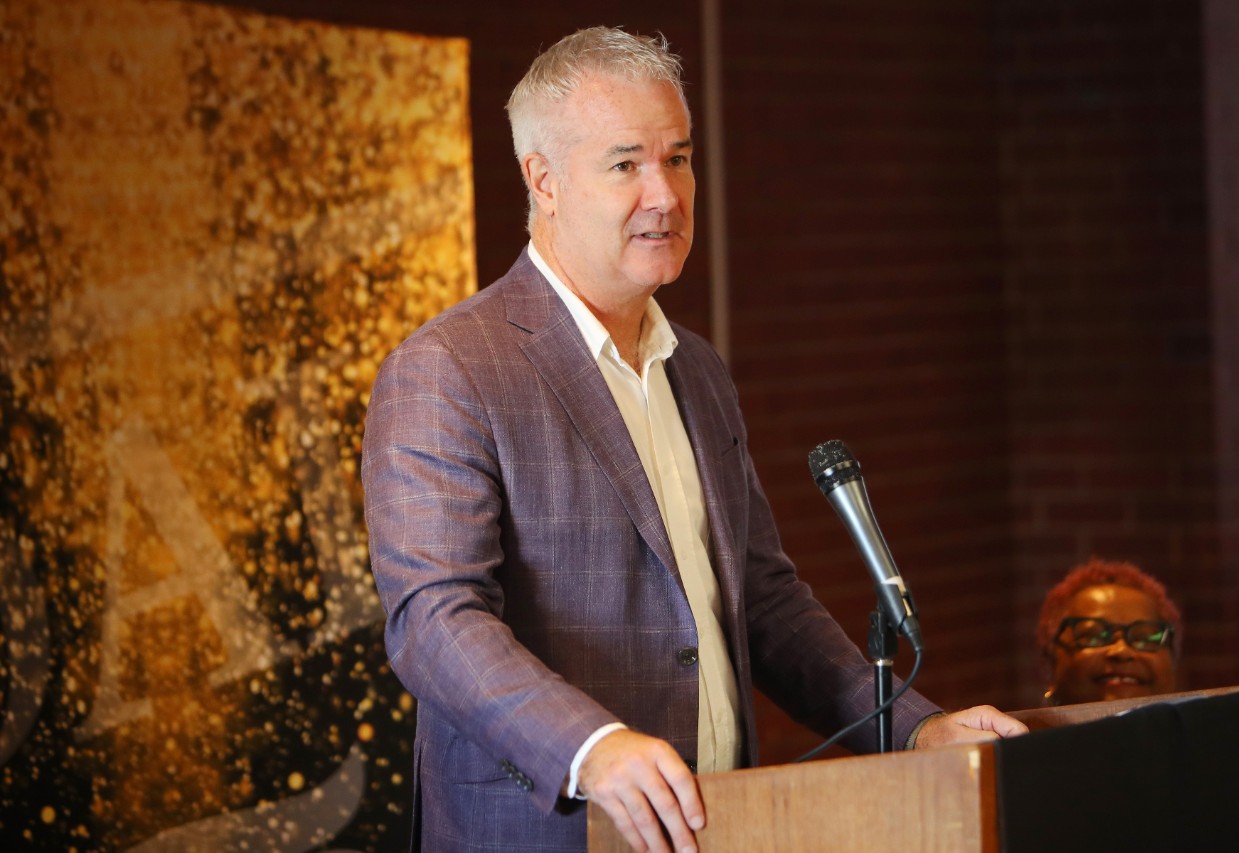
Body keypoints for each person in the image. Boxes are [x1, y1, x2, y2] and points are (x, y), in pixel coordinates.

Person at [361, 26, 1027, 853]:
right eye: (625, 164)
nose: (665, 196)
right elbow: (435, 619)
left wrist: (914, 731)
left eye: (677, 158)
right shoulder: (449, 369)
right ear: (544, 181)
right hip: (545, 834)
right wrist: (592, 746)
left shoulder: (698, 370)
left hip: (717, 828)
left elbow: (767, 604)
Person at [1036, 556, 1182, 706]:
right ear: (1050, 663)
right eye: (1094, 636)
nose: (1121, 651)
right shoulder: (1019, 730)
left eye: (1143, 638)